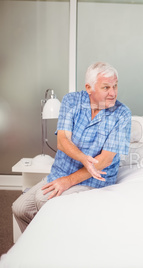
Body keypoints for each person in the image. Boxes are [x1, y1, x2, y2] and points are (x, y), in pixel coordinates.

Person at [13, 62, 132, 232]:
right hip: (61, 172)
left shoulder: (122, 114)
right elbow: (62, 141)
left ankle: (52, 249)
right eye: (106, 87)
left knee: (43, 200)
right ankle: (40, 243)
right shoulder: (72, 101)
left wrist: (68, 181)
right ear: (89, 88)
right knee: (20, 208)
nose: (113, 93)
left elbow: (105, 160)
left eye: (115, 86)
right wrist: (82, 159)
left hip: (93, 181)